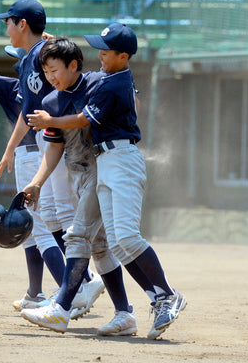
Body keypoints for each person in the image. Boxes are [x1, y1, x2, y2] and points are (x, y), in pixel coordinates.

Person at [26, 23, 186, 340]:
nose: (99, 54)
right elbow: (57, 143)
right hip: (101, 162)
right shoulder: (98, 83)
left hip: (117, 159)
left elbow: (85, 118)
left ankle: (63, 307)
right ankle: (140, 307)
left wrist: (50, 120)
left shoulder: (108, 82)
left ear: (123, 56)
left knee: (106, 236)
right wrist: (55, 45)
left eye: (105, 50)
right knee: (114, 243)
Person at [0, 20, 102, 318]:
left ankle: (76, 286)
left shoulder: (22, 86)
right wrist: (9, 148)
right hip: (43, 149)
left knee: (41, 225)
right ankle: (42, 290)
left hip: (38, 151)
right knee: (44, 223)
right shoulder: (34, 86)